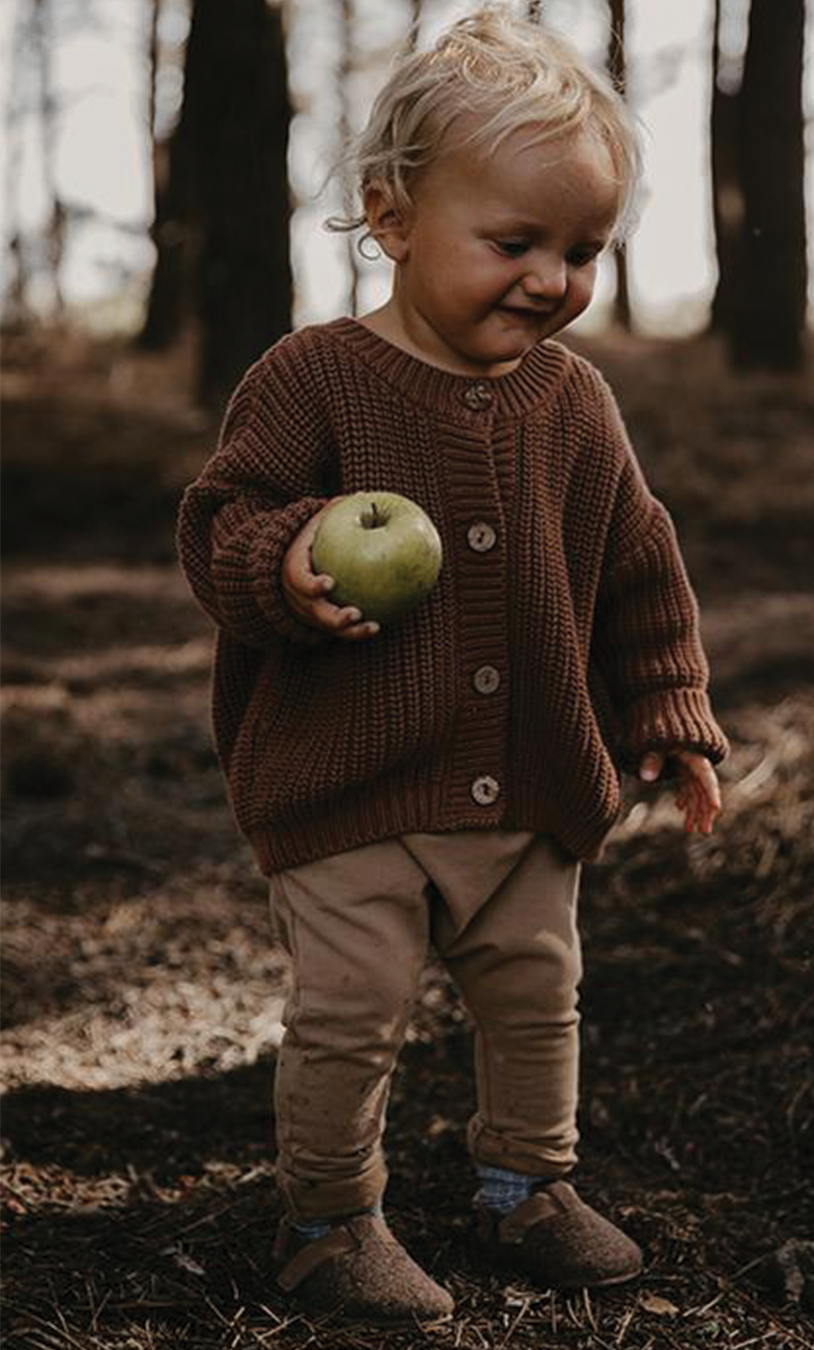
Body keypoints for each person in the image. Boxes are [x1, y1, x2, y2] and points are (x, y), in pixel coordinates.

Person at [177, 3, 728, 1326]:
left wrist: (672, 711)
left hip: (533, 773)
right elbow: (222, 522)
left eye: (583, 249)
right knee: (351, 1010)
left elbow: (637, 564)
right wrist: (290, 562)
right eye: (514, 242)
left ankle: (525, 1184)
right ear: (392, 218)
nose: (551, 278)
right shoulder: (311, 380)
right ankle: (328, 1218)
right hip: (349, 780)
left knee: (539, 993)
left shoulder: (574, 400)